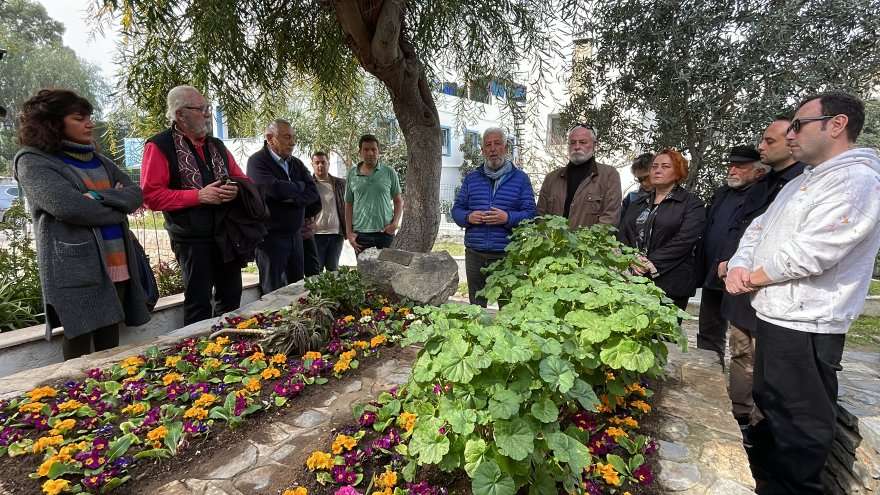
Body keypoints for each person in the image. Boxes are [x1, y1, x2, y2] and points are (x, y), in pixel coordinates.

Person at [726, 92, 880, 495]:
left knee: (799, 427)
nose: (791, 134)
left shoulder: (857, 180)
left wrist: (751, 277)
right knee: (771, 409)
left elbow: (813, 254)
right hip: (776, 315)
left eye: (798, 124)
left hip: (809, 323)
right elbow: (758, 228)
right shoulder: (806, 180)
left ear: (836, 125)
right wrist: (741, 264)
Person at [13, 89, 150, 360]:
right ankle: (75, 399)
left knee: (110, 346)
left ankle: (110, 398)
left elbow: (136, 194)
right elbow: (71, 208)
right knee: (78, 345)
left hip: (118, 263)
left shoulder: (98, 159)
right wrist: (117, 206)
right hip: (75, 270)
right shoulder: (32, 161)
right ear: (53, 122)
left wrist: (99, 196)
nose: (90, 124)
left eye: (90, 117)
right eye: (79, 118)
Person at [718, 118, 806, 430]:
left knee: (767, 364)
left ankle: (761, 426)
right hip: (740, 284)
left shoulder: (803, 183)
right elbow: (743, 228)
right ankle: (740, 415)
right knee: (741, 352)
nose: (761, 146)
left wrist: (750, 273)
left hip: (772, 289)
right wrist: (729, 259)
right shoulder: (764, 184)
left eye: (769, 141)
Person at [141, 85, 248, 325]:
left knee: (231, 299)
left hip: (226, 235)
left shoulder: (216, 145)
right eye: (201, 109)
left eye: (207, 108)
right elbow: (151, 197)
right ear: (180, 114)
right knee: (198, 303)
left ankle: (231, 350)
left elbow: (243, 180)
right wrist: (198, 196)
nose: (208, 114)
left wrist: (236, 190)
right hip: (191, 240)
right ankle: (199, 356)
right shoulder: (159, 146)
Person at [696, 145, 769, 363]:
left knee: (742, 339)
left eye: (740, 166)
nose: (732, 170)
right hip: (713, 272)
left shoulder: (762, 195)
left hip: (740, 275)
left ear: (759, 171)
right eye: (731, 165)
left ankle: (741, 394)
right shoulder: (722, 193)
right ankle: (708, 373)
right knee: (708, 330)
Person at [452, 127, 537, 307]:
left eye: (497, 144)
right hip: (475, 254)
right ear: (482, 151)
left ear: (506, 148)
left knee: (508, 307)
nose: (492, 149)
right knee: (476, 307)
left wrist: (507, 218)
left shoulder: (520, 179)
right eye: (488, 145)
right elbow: (457, 210)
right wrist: (468, 217)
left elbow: (531, 214)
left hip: (506, 255)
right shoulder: (471, 179)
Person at [617, 149, 706, 310]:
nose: (658, 170)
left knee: (664, 333)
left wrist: (651, 262)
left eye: (665, 166)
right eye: (654, 166)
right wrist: (631, 257)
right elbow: (623, 233)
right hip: (634, 278)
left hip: (671, 282)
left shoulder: (691, 204)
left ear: (678, 172)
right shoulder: (637, 202)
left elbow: (685, 240)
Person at [246, 119, 319, 293]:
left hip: (296, 236)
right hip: (270, 238)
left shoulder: (296, 163)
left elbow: (313, 193)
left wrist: (293, 197)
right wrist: (299, 188)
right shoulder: (257, 162)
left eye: (293, 137)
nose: (292, 142)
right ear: (270, 138)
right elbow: (274, 190)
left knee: (297, 289)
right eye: (287, 137)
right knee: (273, 291)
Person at [537, 124, 622, 227]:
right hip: (553, 242)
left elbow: (610, 218)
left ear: (595, 145)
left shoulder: (609, 176)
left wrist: (585, 242)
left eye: (583, 142)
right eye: (572, 143)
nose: (577, 147)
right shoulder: (551, 178)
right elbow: (540, 217)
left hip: (590, 242)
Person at [344, 134, 403, 254]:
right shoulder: (352, 174)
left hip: (385, 233)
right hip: (361, 235)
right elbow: (348, 204)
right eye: (366, 149)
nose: (370, 153)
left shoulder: (389, 172)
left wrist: (395, 223)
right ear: (360, 152)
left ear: (378, 151)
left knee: (388, 270)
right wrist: (349, 233)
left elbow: (398, 201)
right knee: (364, 272)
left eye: (373, 149)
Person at [310, 151, 347, 272]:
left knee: (333, 269)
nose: (320, 165)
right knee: (316, 270)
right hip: (315, 234)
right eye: (317, 163)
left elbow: (349, 206)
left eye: (323, 162)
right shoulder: (307, 184)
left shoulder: (341, 184)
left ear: (328, 164)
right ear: (312, 165)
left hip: (336, 234)